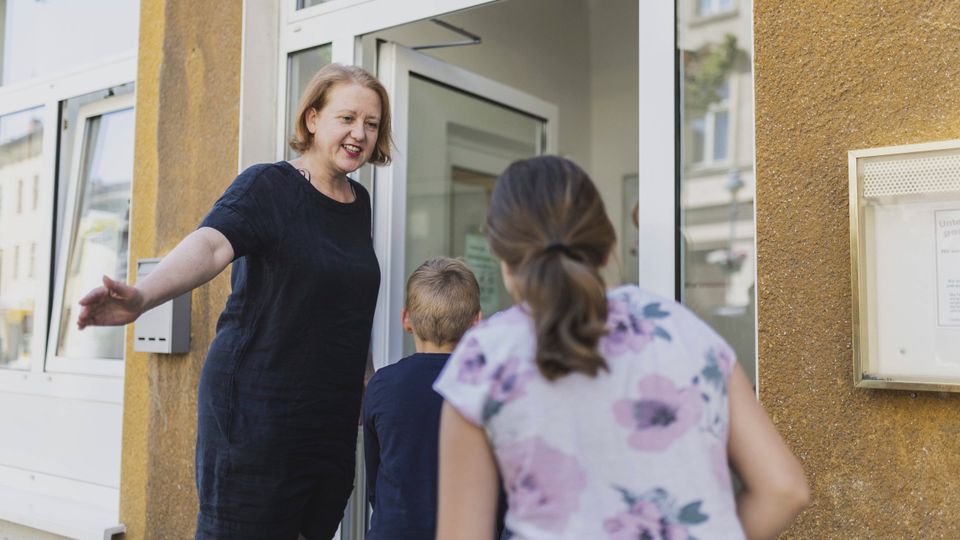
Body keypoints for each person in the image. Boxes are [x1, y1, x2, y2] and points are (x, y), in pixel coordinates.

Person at [76, 63, 392, 539]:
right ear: (311, 119)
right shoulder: (268, 186)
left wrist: (366, 381)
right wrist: (143, 297)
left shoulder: (359, 202)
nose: (359, 134)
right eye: (347, 118)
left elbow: (346, 302)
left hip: (327, 422)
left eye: (371, 124)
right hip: (255, 419)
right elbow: (211, 245)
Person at [433, 156, 810, 540]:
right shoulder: (686, 331)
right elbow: (783, 490)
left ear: (502, 256)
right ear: (607, 246)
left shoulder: (485, 356)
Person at [362, 257, 483, 540]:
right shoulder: (485, 387)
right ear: (477, 321)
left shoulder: (384, 386)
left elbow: (375, 477)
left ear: (406, 319)